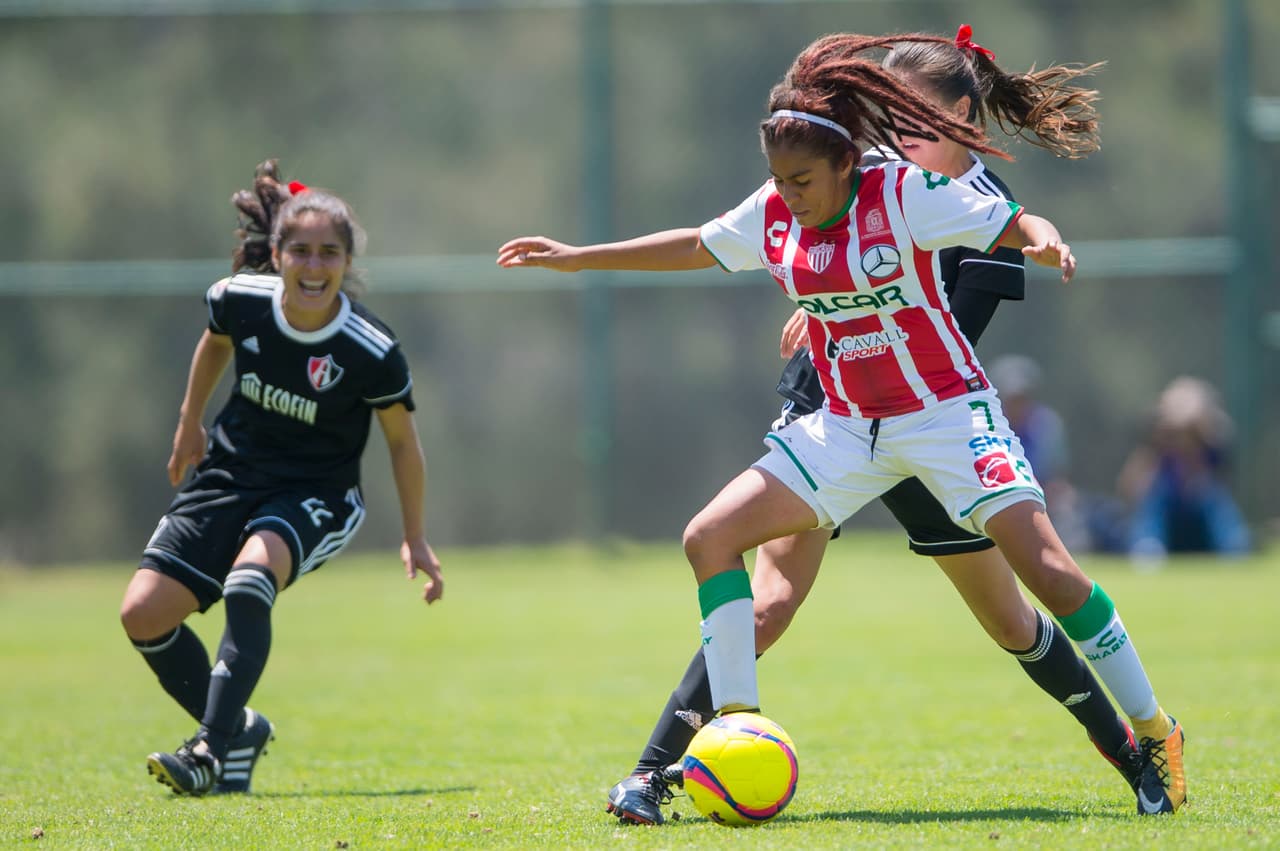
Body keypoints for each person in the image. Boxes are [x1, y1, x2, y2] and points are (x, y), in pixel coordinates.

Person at [499, 30, 1185, 819]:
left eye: (912, 117)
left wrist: (1044, 239)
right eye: (886, 117)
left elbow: (1009, 229)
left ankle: (1151, 736)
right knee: (721, 550)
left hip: (941, 420)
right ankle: (708, 746)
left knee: (1041, 586)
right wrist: (579, 257)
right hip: (842, 421)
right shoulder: (789, 201)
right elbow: (699, 243)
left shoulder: (918, 194)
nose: (787, 192)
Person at [120, 160, 444, 797]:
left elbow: (403, 443)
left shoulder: (370, 348)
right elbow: (215, 342)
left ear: (347, 262)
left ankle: (209, 750)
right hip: (229, 474)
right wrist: (189, 424)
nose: (315, 266)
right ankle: (237, 730)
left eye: (330, 253)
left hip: (317, 493)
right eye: (300, 251)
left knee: (248, 581)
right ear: (277, 254)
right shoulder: (239, 299)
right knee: (142, 615)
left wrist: (416, 534)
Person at [1119, 375, 1251, 563]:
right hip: (1168, 511)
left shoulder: (1210, 442)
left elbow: (1224, 474)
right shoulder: (1156, 445)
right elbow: (1128, 485)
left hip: (1200, 511)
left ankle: (1233, 547)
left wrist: (1195, 431)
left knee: (1215, 499)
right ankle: (1147, 547)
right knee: (1154, 500)